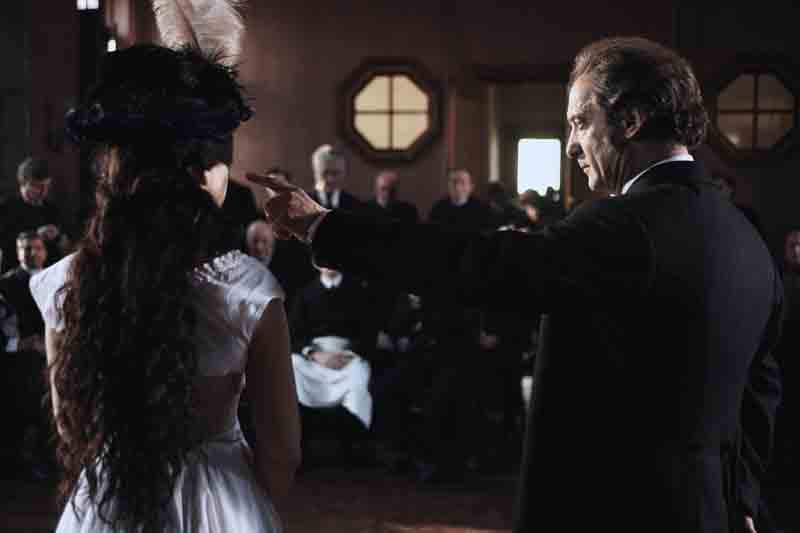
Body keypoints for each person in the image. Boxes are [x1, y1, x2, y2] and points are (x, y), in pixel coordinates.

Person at [254, 37, 782, 533]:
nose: (572, 146)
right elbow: (762, 384)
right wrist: (744, 498)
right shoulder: (745, 236)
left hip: (615, 506)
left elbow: (476, 265)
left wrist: (325, 228)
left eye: (580, 123)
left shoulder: (623, 229)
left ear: (630, 120)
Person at [29, 44, 300, 532]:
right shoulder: (247, 290)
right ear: (198, 173)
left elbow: (71, 428)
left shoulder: (67, 281)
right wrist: (245, 508)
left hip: (109, 501)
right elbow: (282, 452)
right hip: (222, 501)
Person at [0, 156, 70, 269]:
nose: (44, 191)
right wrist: (35, 236)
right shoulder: (5, 208)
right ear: (23, 183)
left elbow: (65, 247)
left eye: (47, 186)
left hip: (48, 272)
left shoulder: (52, 209)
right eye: (38, 186)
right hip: (16, 273)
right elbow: (5, 245)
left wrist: (58, 236)